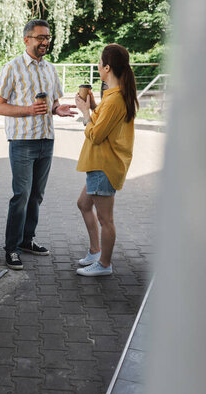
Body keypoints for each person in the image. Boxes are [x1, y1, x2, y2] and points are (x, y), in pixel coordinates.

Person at [0, 19, 77, 270]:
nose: (45, 42)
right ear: (26, 39)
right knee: (21, 195)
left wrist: (57, 108)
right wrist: (28, 110)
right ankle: (11, 248)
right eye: (40, 37)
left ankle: (27, 240)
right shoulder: (12, 68)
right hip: (22, 141)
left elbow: (51, 103)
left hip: (47, 140)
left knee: (37, 196)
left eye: (48, 37)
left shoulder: (50, 69)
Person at [74, 44, 138, 276]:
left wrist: (84, 113)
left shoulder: (115, 100)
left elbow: (97, 134)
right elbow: (104, 122)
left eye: (100, 63)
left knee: (105, 219)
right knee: (83, 204)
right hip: (99, 164)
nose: (98, 67)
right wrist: (92, 107)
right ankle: (95, 251)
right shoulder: (113, 96)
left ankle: (104, 264)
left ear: (108, 67)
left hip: (105, 165)